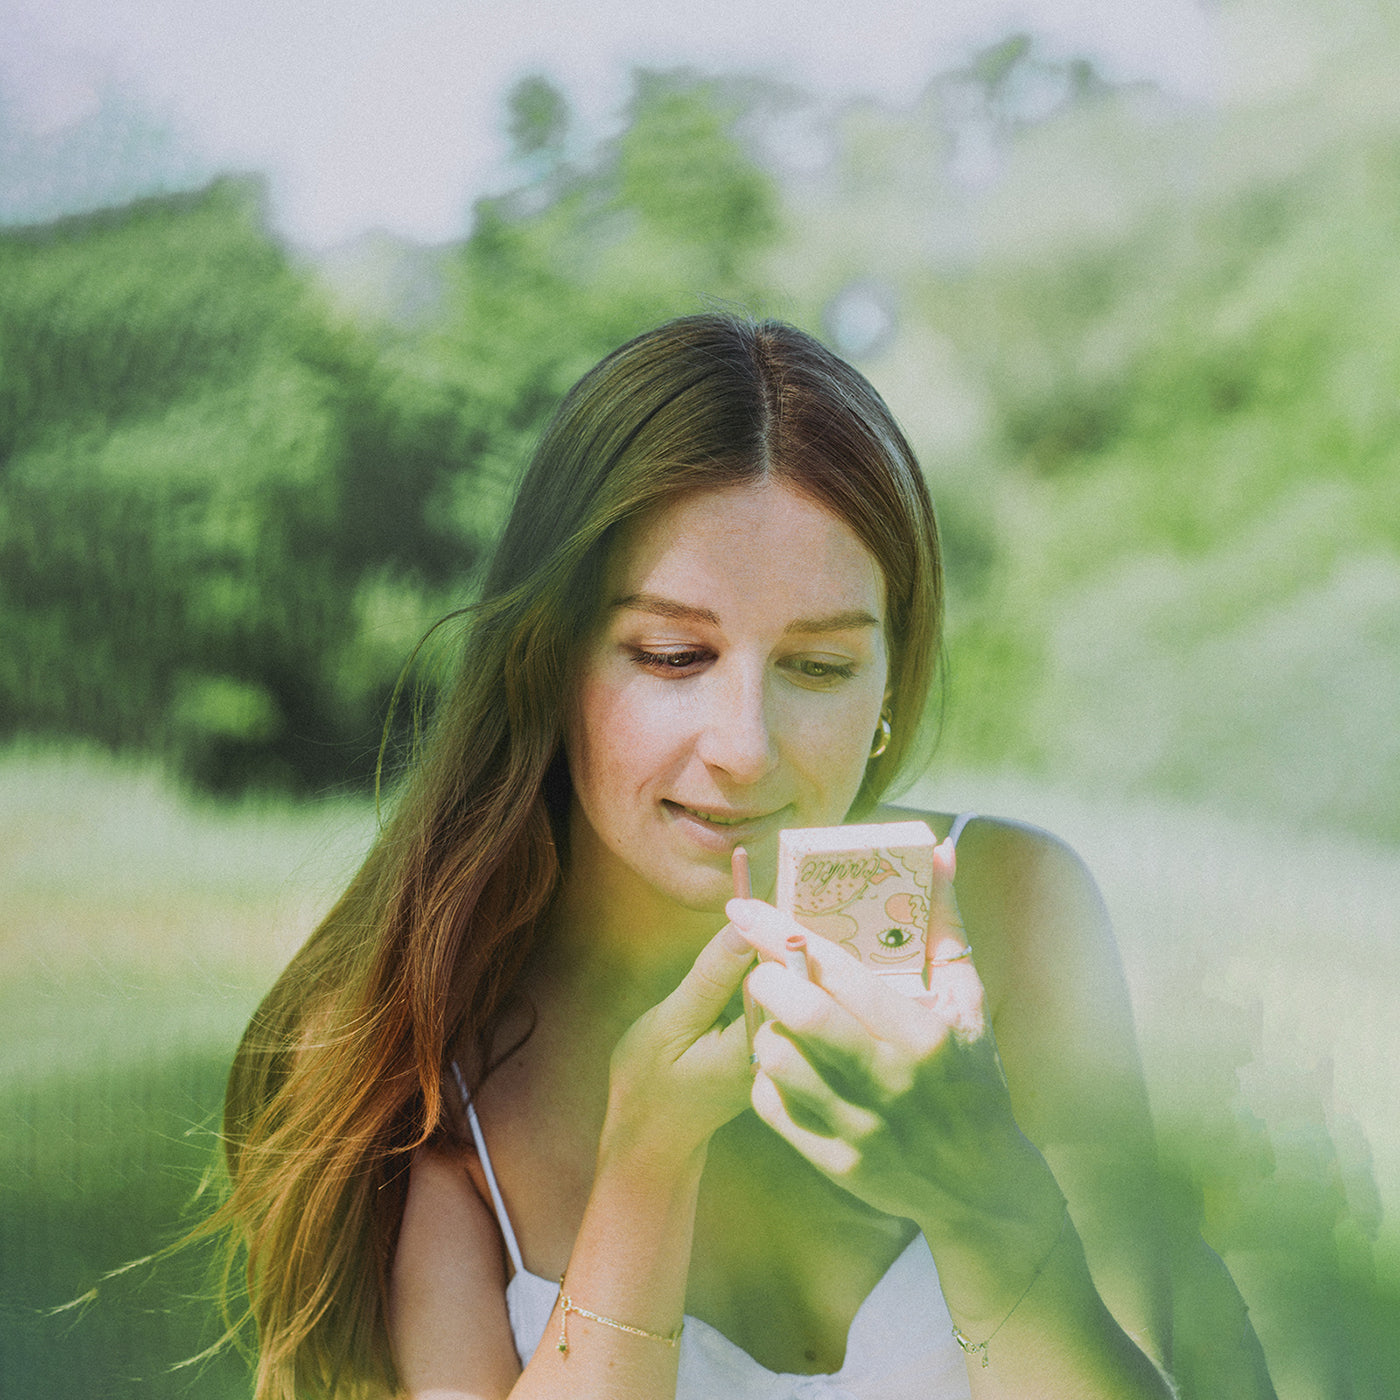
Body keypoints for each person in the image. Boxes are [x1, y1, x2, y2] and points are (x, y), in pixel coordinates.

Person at [219, 315, 1275, 1399]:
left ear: (887, 685)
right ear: (547, 662)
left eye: (818, 667)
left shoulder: (1007, 908)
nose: (744, 747)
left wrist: (981, 1201)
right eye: (673, 655)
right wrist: (645, 1154)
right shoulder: (427, 1058)